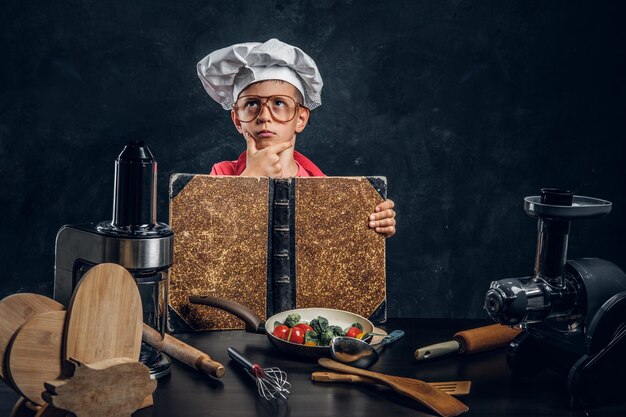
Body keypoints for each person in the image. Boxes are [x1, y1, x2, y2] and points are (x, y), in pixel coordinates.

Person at [197, 39, 396, 237]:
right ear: (237, 119)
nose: (265, 116)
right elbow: (205, 240)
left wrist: (373, 226)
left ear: (300, 118)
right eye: (251, 104)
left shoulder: (328, 189)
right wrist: (249, 180)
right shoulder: (221, 174)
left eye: (279, 103)